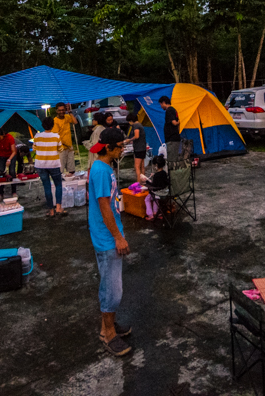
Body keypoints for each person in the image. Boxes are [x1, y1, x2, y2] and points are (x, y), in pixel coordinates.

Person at [87, 127, 133, 356]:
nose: (123, 150)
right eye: (120, 146)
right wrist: (118, 237)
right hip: (106, 238)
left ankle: (110, 323)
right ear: (108, 147)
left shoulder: (104, 167)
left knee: (111, 284)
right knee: (112, 289)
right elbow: (105, 208)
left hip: (107, 233)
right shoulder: (101, 171)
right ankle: (107, 333)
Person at [34, 116, 66, 217]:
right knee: (58, 185)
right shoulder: (56, 136)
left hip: (41, 164)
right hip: (53, 164)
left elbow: (34, 148)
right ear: (52, 125)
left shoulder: (37, 136)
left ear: (43, 125)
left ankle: (51, 210)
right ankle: (58, 208)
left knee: (46, 186)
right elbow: (60, 149)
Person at [0, 128, 18, 199]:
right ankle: (0, 193)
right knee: (1, 173)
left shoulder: (10, 138)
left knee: (12, 172)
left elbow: (14, 151)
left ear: (3, 135)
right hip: (1, 156)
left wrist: (9, 159)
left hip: (11, 155)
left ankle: (14, 192)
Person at [53, 102, 79, 175]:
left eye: (63, 110)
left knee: (71, 167)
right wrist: (65, 145)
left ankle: (71, 178)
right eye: (60, 110)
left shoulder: (67, 117)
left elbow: (75, 122)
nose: (62, 112)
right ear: (56, 111)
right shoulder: (55, 121)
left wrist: (69, 112)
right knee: (60, 167)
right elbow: (56, 137)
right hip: (61, 148)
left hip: (69, 146)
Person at [142, 154, 170, 221]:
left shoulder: (156, 175)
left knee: (147, 199)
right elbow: (163, 182)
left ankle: (150, 215)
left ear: (156, 165)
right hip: (164, 191)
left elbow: (153, 185)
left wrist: (146, 181)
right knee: (156, 199)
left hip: (157, 192)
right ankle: (156, 213)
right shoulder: (164, 173)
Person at [126, 110, 147, 184]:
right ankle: (143, 182)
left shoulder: (136, 126)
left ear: (131, 120)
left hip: (139, 148)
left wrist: (129, 140)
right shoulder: (140, 125)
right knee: (142, 166)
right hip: (143, 147)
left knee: (137, 166)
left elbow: (136, 136)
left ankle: (138, 182)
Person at [158, 96, 180, 163]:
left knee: (171, 160)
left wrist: (179, 122)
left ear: (164, 102)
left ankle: (172, 170)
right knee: (174, 158)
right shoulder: (173, 110)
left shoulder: (169, 110)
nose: (161, 106)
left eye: (161, 104)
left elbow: (174, 122)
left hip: (171, 139)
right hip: (174, 138)